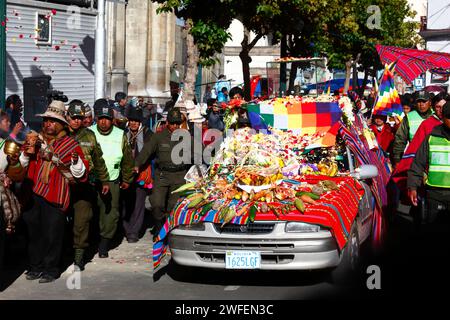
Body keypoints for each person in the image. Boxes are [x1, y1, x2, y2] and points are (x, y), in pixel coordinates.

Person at [20, 100, 87, 283]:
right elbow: (21, 166)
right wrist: (26, 153)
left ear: (61, 124)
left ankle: (51, 269)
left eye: (52, 121)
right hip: (34, 193)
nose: (48, 124)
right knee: (34, 233)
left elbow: (80, 174)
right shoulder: (35, 139)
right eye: (46, 120)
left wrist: (74, 162)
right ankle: (35, 266)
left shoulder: (70, 145)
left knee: (52, 235)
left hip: (56, 195)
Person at [66, 100, 110, 270]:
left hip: (84, 185)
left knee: (82, 221)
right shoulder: (61, 134)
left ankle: (79, 257)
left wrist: (104, 179)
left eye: (79, 117)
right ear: (67, 117)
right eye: (74, 117)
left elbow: (99, 160)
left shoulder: (89, 135)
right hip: (63, 185)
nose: (77, 121)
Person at [134, 108, 192, 235]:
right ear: (167, 123)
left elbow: (199, 152)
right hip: (162, 175)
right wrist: (137, 164)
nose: (175, 126)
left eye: (178, 123)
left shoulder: (186, 137)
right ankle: (159, 224)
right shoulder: (158, 137)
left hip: (179, 175)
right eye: (172, 123)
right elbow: (146, 151)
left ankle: (168, 231)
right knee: (156, 203)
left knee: (173, 206)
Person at [92, 99, 134, 258]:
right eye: (100, 118)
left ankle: (104, 244)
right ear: (97, 119)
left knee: (110, 214)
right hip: (92, 180)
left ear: (112, 120)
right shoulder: (89, 132)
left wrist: (127, 178)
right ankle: (90, 241)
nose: (103, 122)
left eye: (107, 119)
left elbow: (128, 160)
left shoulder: (120, 134)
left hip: (112, 179)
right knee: (90, 213)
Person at [407, 101, 450, 223]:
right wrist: (413, 187)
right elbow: (417, 164)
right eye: (449, 117)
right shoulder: (432, 137)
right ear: (443, 117)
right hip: (435, 194)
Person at [122, 106, 153, 243]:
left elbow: (150, 153)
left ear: (140, 122)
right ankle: (126, 228)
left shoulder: (148, 134)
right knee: (125, 203)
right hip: (124, 175)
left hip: (141, 174)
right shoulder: (123, 133)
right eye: (131, 120)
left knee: (138, 204)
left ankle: (133, 232)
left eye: (136, 121)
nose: (133, 123)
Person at [392, 91, 433, 166]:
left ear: (430, 102)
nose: (421, 104)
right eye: (419, 102)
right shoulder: (409, 117)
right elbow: (400, 139)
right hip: (415, 159)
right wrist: (397, 159)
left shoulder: (436, 116)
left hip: (434, 158)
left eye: (424, 101)